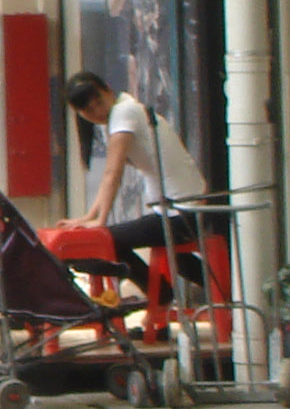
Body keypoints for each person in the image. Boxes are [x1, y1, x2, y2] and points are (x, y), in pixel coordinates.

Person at [56, 71, 210, 290]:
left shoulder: (123, 112)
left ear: (108, 90)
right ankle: (215, 293)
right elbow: (111, 173)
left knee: (106, 241)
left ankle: (160, 295)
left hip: (182, 213)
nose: (97, 112)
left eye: (99, 102)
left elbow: (112, 172)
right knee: (180, 262)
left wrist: (99, 222)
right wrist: (89, 217)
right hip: (178, 209)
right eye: (88, 110)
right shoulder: (120, 113)